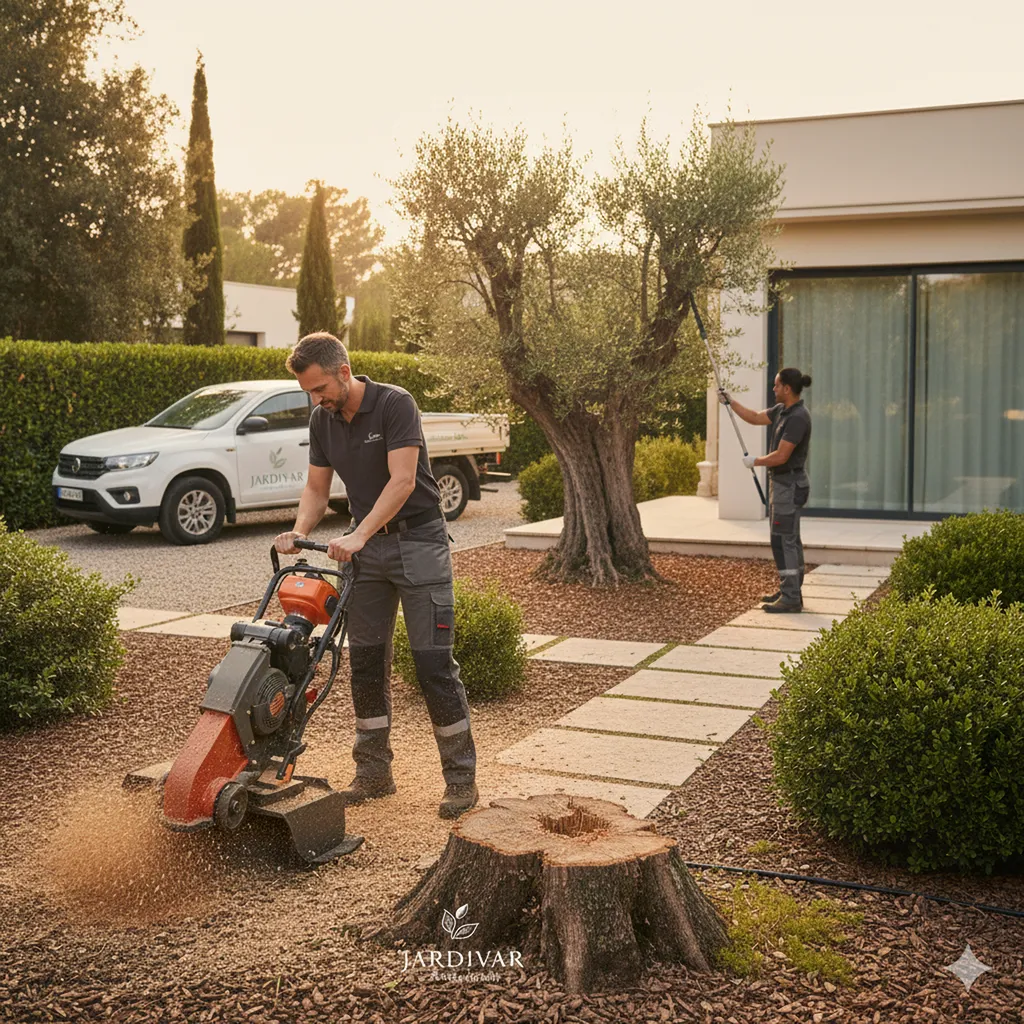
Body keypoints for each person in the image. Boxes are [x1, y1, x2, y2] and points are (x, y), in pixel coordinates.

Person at [274, 332, 478, 818]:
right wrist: (299, 531)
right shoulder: (323, 417)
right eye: (308, 391)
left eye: (320, 387)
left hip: (419, 542)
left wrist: (360, 534)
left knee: (433, 666)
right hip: (364, 550)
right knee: (364, 663)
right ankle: (373, 773)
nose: (315, 399)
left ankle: (461, 780)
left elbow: (403, 481)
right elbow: (316, 489)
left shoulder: (395, 404)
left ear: (344, 371)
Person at [719, 368, 813, 612]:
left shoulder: (798, 417)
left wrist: (756, 461)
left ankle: (791, 597)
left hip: (789, 485)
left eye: (776, 386)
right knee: (783, 539)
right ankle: (789, 590)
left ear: (787, 389)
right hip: (781, 485)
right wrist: (730, 401)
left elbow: (782, 456)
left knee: (785, 540)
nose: (773, 390)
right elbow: (753, 417)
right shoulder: (783, 411)